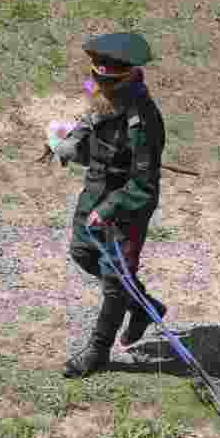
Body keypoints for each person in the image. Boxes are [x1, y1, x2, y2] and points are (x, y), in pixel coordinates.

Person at [51, 32, 168, 377]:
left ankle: (98, 351)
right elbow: (87, 109)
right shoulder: (99, 87)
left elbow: (144, 186)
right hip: (94, 192)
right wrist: (67, 139)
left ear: (127, 77)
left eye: (106, 81)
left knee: (115, 280)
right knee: (82, 253)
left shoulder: (143, 122)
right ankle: (144, 306)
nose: (97, 85)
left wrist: (108, 210)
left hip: (125, 208)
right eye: (96, 78)